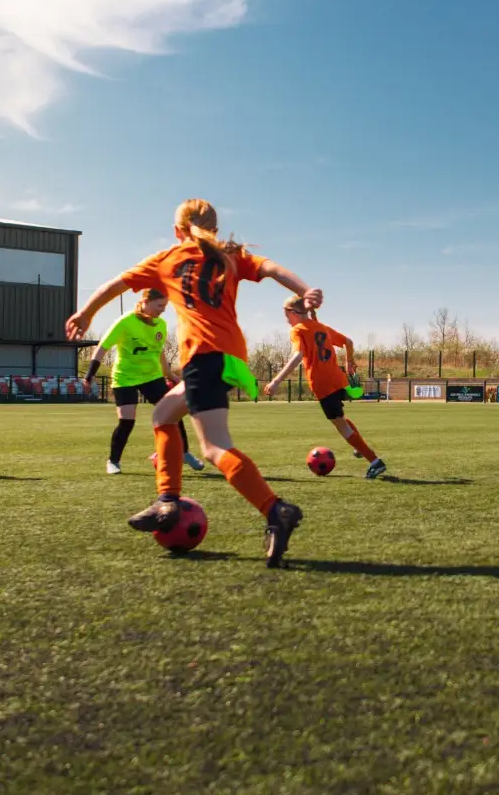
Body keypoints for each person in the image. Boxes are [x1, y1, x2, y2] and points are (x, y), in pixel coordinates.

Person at [66, 199, 321, 567]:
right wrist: (306, 289)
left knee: (214, 448)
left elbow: (114, 284)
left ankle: (275, 509)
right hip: (230, 357)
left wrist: (86, 312)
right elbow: (272, 268)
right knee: (164, 415)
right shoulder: (230, 254)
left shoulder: (167, 258)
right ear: (215, 229)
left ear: (177, 230)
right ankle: (167, 501)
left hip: (203, 356)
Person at [263, 298, 388, 479]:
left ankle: (375, 462)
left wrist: (276, 381)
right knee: (341, 419)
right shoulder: (321, 327)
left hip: (322, 384)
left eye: (287, 315)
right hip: (338, 379)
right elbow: (349, 342)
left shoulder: (297, 330)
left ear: (294, 313)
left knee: (341, 426)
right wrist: (349, 361)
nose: (286, 320)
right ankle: (359, 448)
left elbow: (298, 355)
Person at [84, 289, 203, 475]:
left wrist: (168, 374)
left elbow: (159, 351)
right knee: (127, 421)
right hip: (125, 377)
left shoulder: (161, 325)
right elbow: (102, 348)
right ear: (146, 301)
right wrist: (89, 375)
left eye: (165, 306)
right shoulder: (125, 322)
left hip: (151, 376)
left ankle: (184, 452)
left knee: (174, 412)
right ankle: (113, 461)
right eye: (159, 306)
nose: (162, 310)